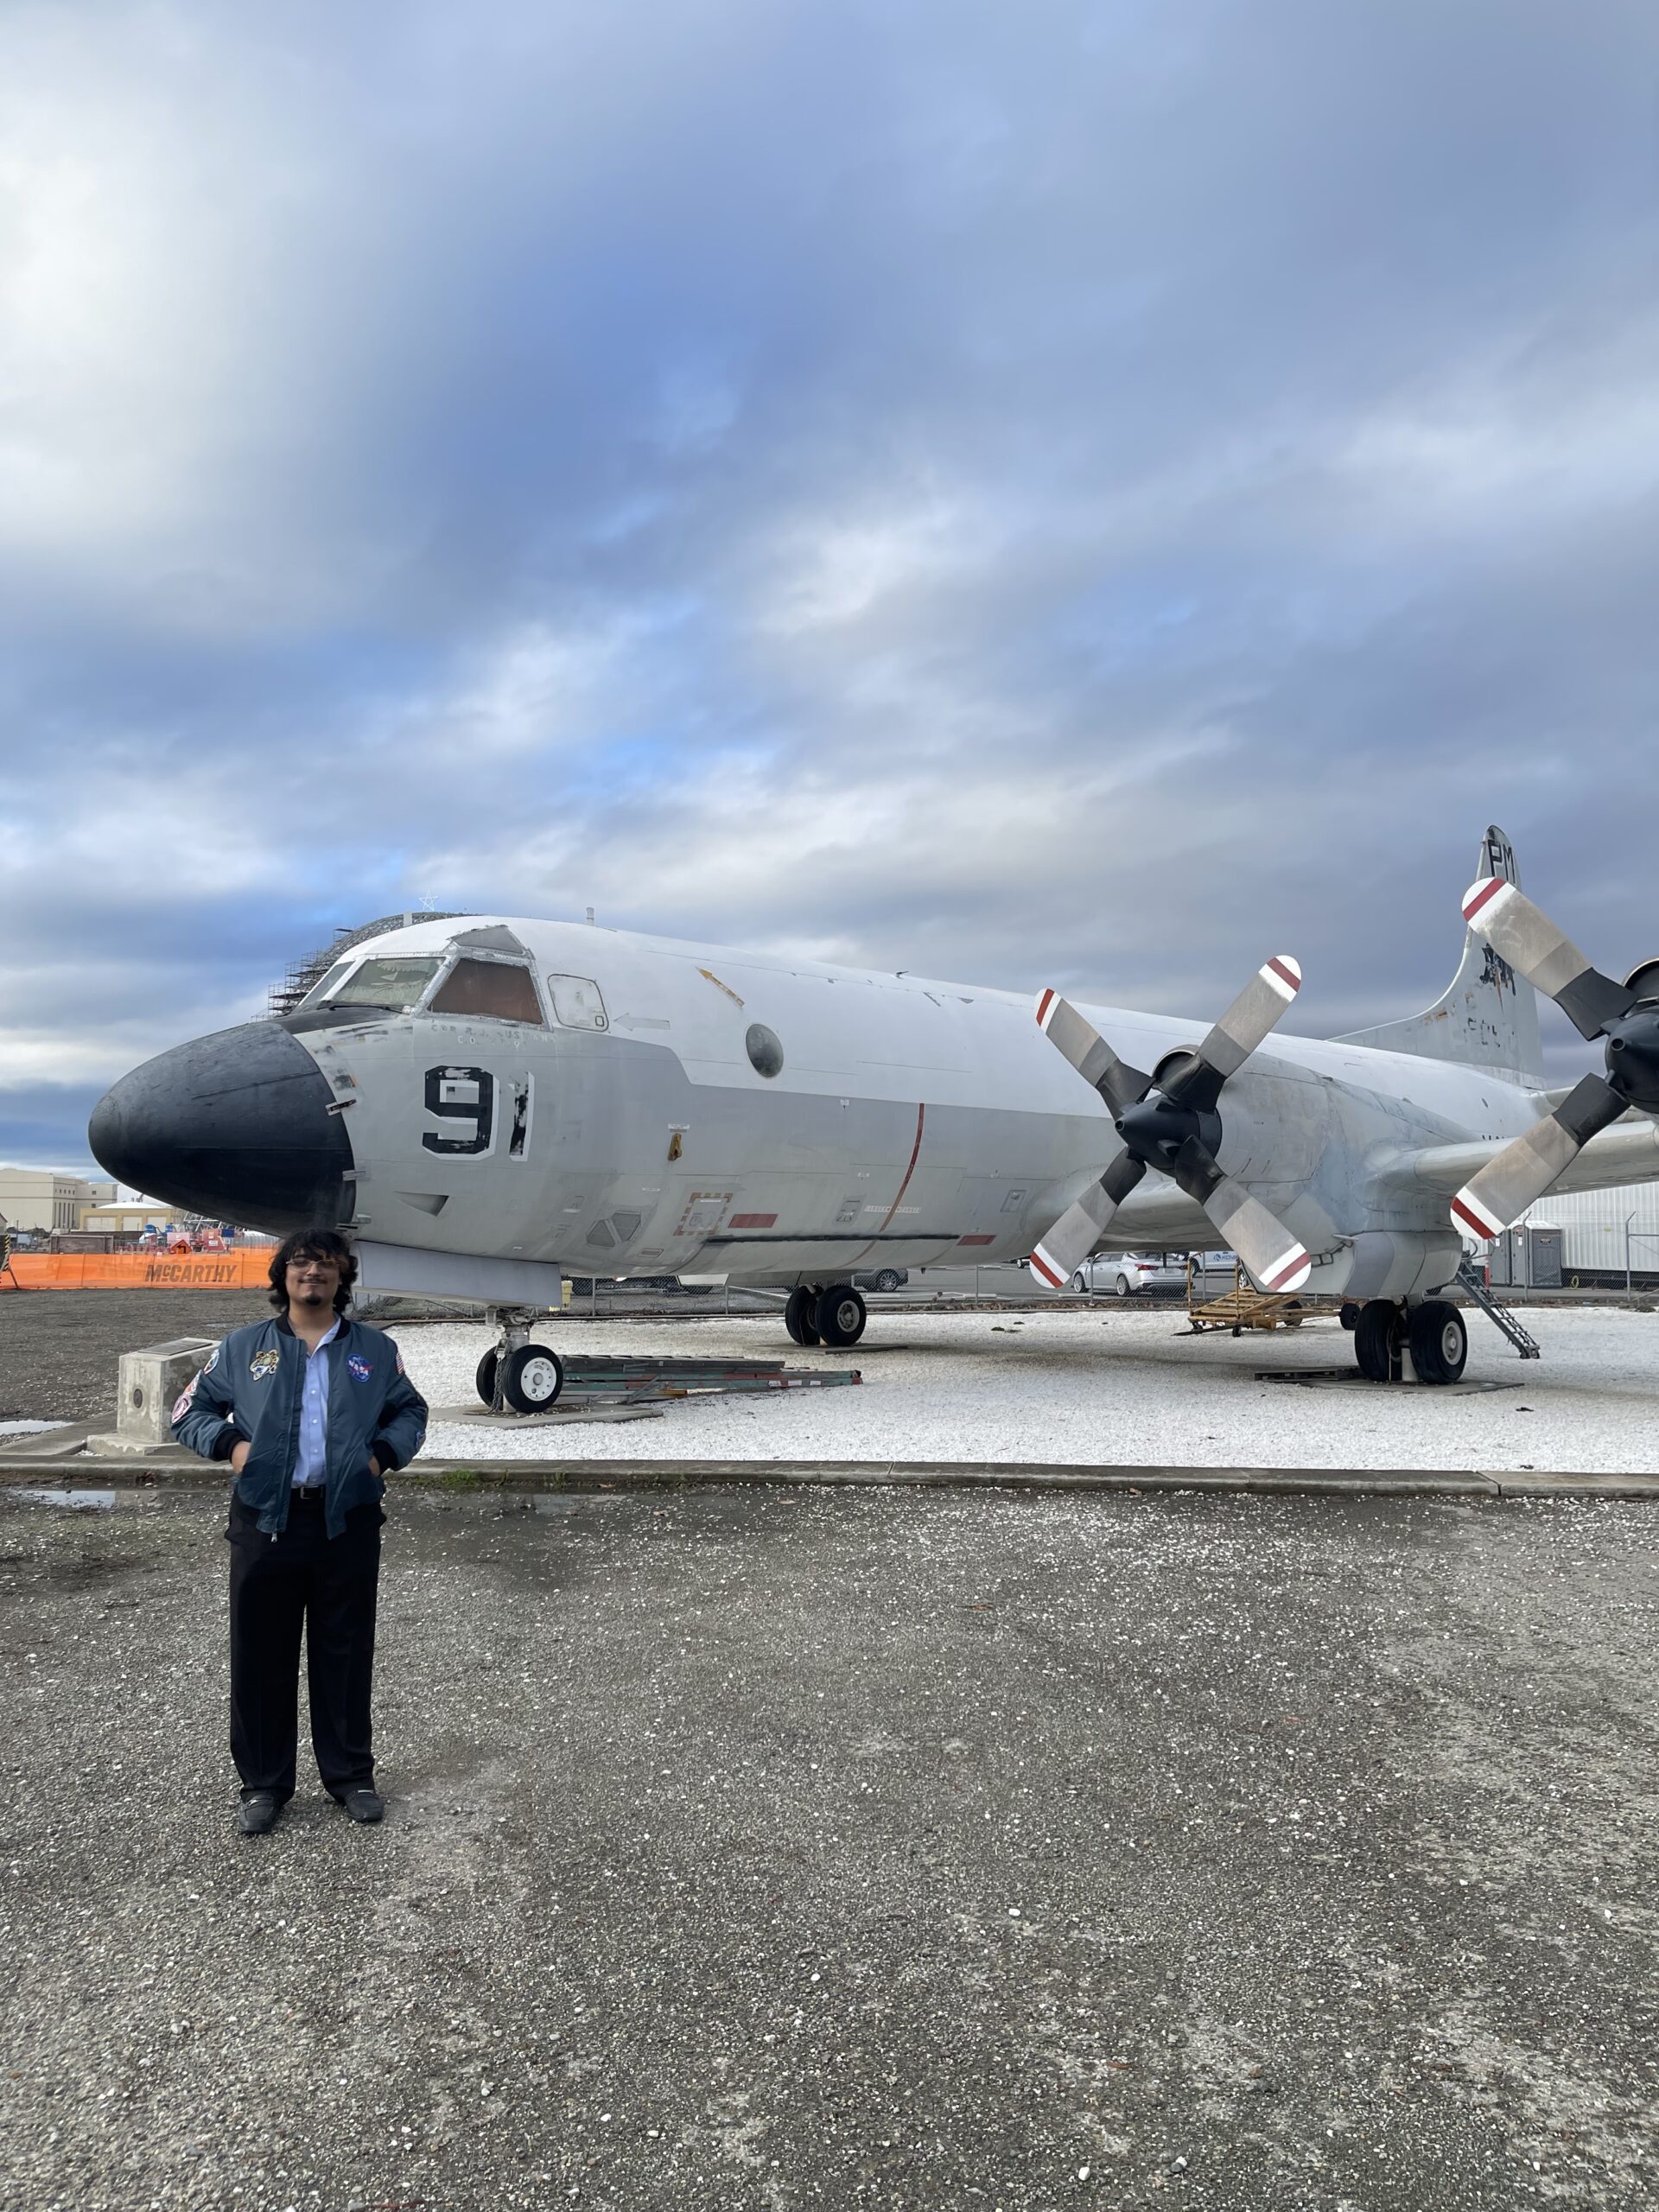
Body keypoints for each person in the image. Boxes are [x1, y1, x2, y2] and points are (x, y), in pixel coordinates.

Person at [173, 1228, 428, 1835]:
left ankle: (350, 1777)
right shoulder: (242, 1349)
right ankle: (263, 1785)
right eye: (300, 1263)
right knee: (261, 1655)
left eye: (326, 1265)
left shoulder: (373, 1349)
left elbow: (411, 1411)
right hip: (266, 1520)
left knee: (345, 1652)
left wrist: (378, 1459)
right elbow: (189, 1411)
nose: (312, 1273)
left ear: (343, 1278)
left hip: (346, 1521)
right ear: (282, 1276)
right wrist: (234, 1448)